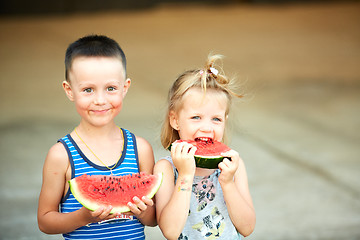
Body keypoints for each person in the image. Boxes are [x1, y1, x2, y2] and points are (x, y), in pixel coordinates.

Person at [37, 35, 156, 239]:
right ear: (69, 90)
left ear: (125, 88)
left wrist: (142, 210)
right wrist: (83, 217)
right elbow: (45, 220)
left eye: (111, 88)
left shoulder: (140, 149)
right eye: (88, 90)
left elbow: (153, 219)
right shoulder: (61, 155)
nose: (100, 100)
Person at [154, 54, 256, 240]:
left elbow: (247, 227)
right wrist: (184, 176)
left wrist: (227, 182)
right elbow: (170, 231)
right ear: (175, 120)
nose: (207, 127)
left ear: (225, 121)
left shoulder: (234, 165)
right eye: (196, 117)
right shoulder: (166, 169)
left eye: (216, 119)